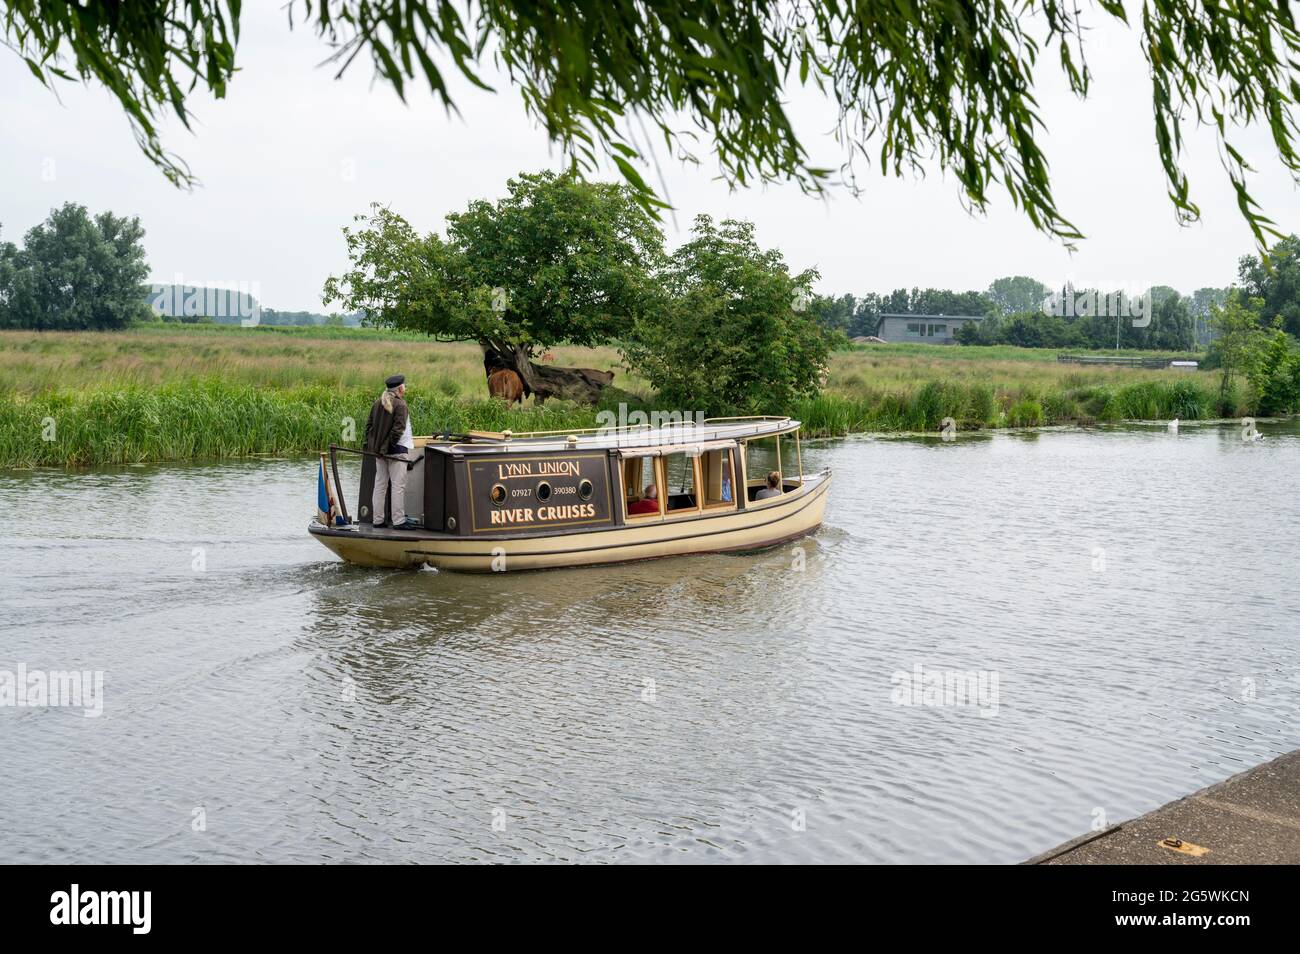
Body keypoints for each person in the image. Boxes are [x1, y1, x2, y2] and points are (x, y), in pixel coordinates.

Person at [364, 374, 418, 529]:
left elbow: (369, 429)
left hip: (380, 453)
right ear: (400, 388)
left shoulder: (376, 403)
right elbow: (398, 430)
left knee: (380, 485)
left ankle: (378, 520)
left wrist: (376, 449)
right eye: (404, 386)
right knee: (397, 486)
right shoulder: (401, 405)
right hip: (397, 451)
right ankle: (399, 521)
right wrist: (385, 449)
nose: (405, 388)